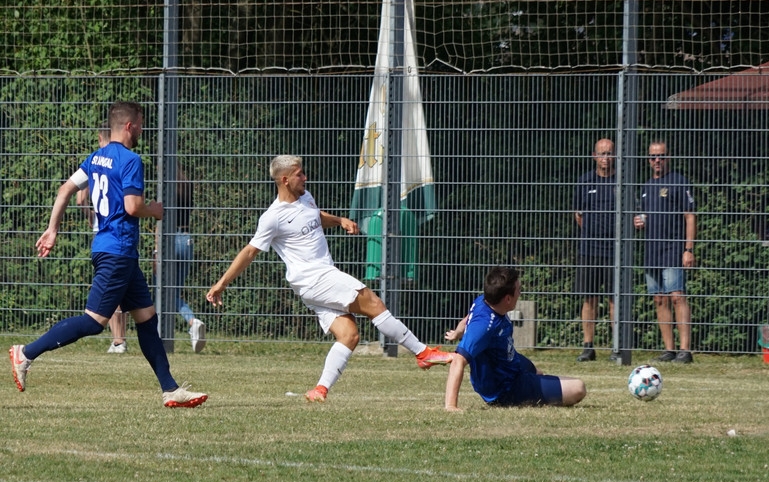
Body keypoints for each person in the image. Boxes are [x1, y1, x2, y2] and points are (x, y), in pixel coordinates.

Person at [205, 155, 452, 402]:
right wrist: (221, 284)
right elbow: (250, 251)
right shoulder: (273, 217)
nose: (305, 177)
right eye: (299, 174)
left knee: (349, 335)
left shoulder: (305, 197)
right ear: (285, 179)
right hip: (315, 278)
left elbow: (315, 216)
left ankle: (320, 390)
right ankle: (423, 353)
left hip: (313, 284)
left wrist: (340, 220)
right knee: (373, 303)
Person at [9, 101, 208, 408]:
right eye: (140, 124)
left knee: (146, 318)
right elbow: (132, 206)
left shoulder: (95, 158)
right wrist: (154, 210)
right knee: (94, 322)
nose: (142, 129)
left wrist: (52, 229)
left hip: (116, 250)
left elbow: (64, 190)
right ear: (129, 126)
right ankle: (26, 353)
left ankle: (171, 389)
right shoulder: (131, 160)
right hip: (117, 251)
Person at [444, 266, 586, 410]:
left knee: (537, 372)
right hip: (506, 388)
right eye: (518, 290)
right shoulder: (484, 326)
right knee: (578, 388)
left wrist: (457, 332)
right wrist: (450, 405)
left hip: (511, 363)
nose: (520, 293)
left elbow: (469, 318)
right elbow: (458, 361)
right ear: (507, 298)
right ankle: (523, 394)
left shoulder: (482, 301)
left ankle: (537, 386)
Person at [634, 141, 696, 364]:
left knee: (677, 296)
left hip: (673, 248)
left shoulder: (679, 182)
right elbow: (642, 216)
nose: (657, 160)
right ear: (648, 160)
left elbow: (690, 216)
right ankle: (669, 350)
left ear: (668, 157)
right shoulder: (646, 186)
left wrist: (688, 249)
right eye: (653, 157)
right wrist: (638, 222)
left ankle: (685, 350)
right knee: (659, 299)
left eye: (661, 156)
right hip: (652, 250)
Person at [76, 124, 129, 353]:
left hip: (104, 234)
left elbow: (80, 199)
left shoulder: (95, 161)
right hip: (123, 233)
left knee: (112, 291)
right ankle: (120, 338)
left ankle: (118, 340)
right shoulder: (124, 159)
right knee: (122, 289)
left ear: (100, 137)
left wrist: (91, 215)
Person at [573, 137, 617, 362]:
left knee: (614, 299)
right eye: (602, 153)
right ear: (594, 156)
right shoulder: (584, 181)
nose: (605, 158)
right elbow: (578, 216)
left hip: (614, 252)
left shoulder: (621, 182)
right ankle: (588, 346)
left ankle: (616, 347)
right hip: (589, 249)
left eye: (609, 153)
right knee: (589, 298)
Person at [160, 164, 207, 353]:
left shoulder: (165, 189)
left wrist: (156, 251)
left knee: (161, 290)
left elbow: (160, 221)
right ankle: (193, 323)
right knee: (174, 292)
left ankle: (190, 322)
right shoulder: (187, 186)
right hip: (187, 240)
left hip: (169, 240)